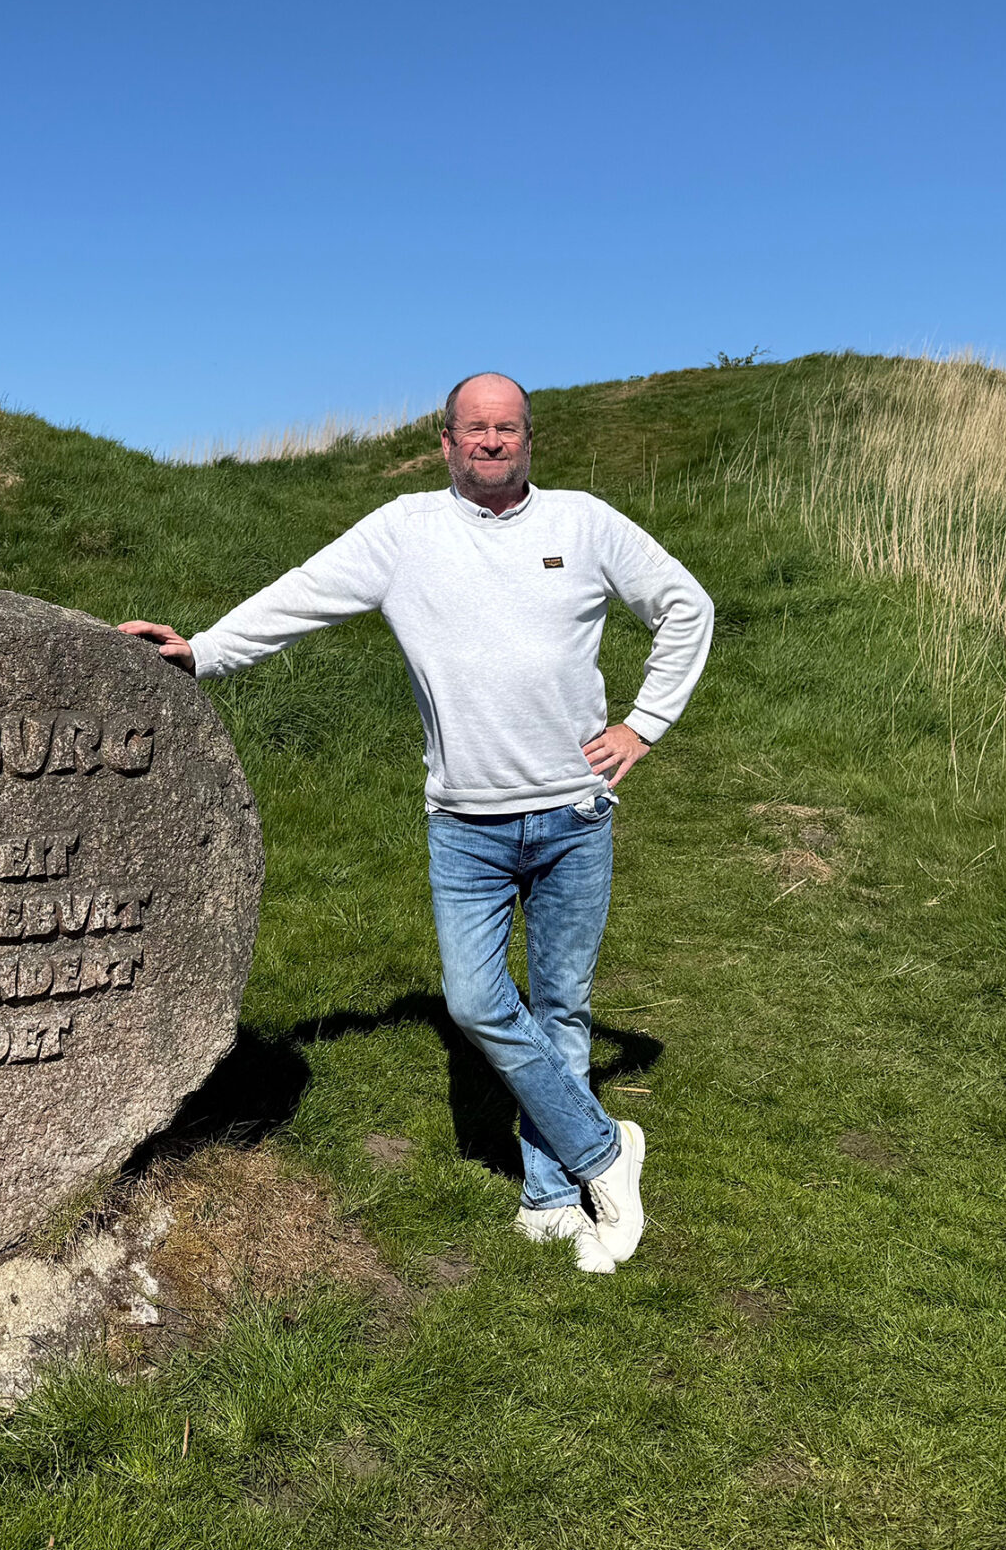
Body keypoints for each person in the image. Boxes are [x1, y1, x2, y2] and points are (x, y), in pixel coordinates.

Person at [120, 373, 714, 1273]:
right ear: (446, 441)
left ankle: (551, 1196)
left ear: (529, 440)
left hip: (574, 813)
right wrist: (203, 652)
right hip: (466, 826)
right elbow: (300, 596)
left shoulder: (585, 523)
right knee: (476, 1003)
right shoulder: (404, 532)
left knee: (561, 1006)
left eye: (506, 428)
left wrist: (644, 724)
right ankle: (605, 1151)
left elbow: (686, 607)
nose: (490, 442)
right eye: (474, 429)